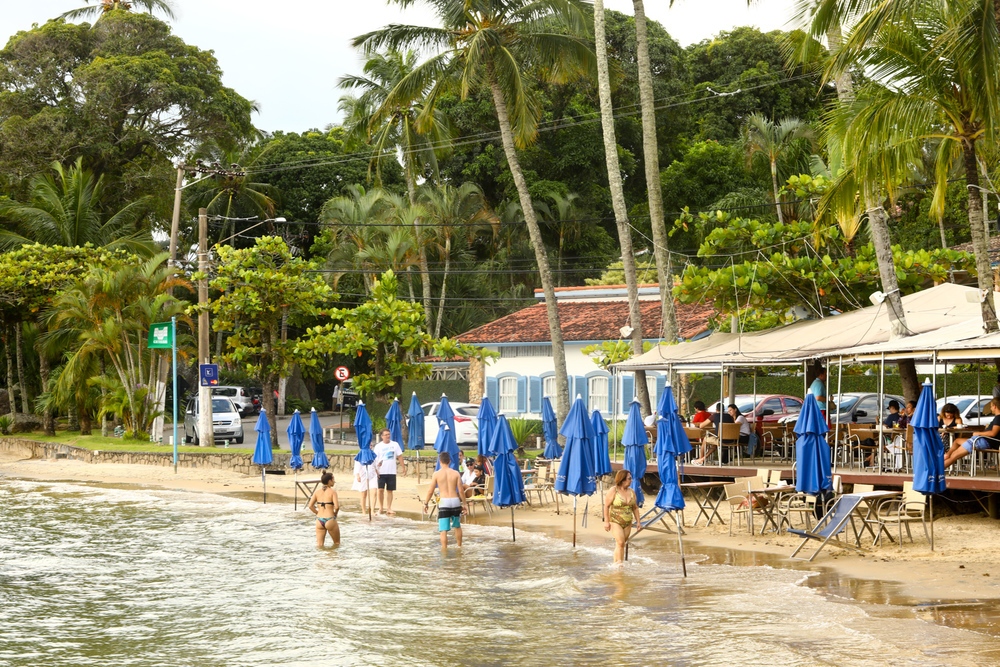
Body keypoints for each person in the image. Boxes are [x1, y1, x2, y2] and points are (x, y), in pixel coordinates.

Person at [424, 451, 467, 548]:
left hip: (444, 501)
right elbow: (460, 490)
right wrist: (465, 504)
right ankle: (459, 547)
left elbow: (430, 491)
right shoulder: (456, 473)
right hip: (455, 500)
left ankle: (444, 550)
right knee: (457, 526)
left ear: (440, 461)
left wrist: (425, 503)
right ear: (449, 461)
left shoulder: (436, 474)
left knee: (443, 530)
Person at [945, 398, 1000, 467]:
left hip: (983, 441)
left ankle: (937, 471)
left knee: (954, 456)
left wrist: (978, 433)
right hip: (981, 440)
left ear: (994, 406)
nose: (990, 408)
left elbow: (993, 433)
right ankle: (947, 455)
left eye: (991, 406)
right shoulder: (997, 418)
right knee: (957, 442)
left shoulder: (998, 418)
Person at [603, 469, 642, 564]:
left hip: (628, 522)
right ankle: (620, 564)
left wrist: (638, 522)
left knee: (621, 544)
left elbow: (635, 508)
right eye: (629, 478)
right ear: (623, 479)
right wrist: (606, 522)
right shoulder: (613, 490)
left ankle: (616, 563)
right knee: (620, 542)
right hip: (616, 520)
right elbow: (606, 506)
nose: (631, 480)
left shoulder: (632, 492)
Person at [373, 428, 405, 516]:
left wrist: (403, 468)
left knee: (390, 490)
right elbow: (375, 459)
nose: (388, 436)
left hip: (391, 471)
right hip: (381, 471)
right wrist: (376, 469)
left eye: (388, 434)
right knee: (380, 490)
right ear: (382, 436)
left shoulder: (395, 444)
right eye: (386, 435)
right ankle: (380, 507)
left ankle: (389, 508)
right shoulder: (378, 446)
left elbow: (400, 456)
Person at [307, 472, 340, 547]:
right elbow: (337, 507)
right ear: (329, 481)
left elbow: (310, 506)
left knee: (319, 545)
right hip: (330, 519)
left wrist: (317, 513)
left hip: (319, 520)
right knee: (337, 543)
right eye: (333, 479)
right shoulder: (333, 492)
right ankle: (333, 558)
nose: (334, 481)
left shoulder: (317, 492)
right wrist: (335, 513)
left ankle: (321, 558)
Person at [352, 444, 379, 516]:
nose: (371, 447)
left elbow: (375, 465)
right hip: (363, 475)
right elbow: (357, 466)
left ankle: (372, 510)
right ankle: (363, 511)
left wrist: (377, 472)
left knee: (374, 492)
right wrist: (357, 475)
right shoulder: (360, 454)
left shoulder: (373, 455)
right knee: (364, 494)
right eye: (369, 445)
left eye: (372, 446)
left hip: (372, 475)